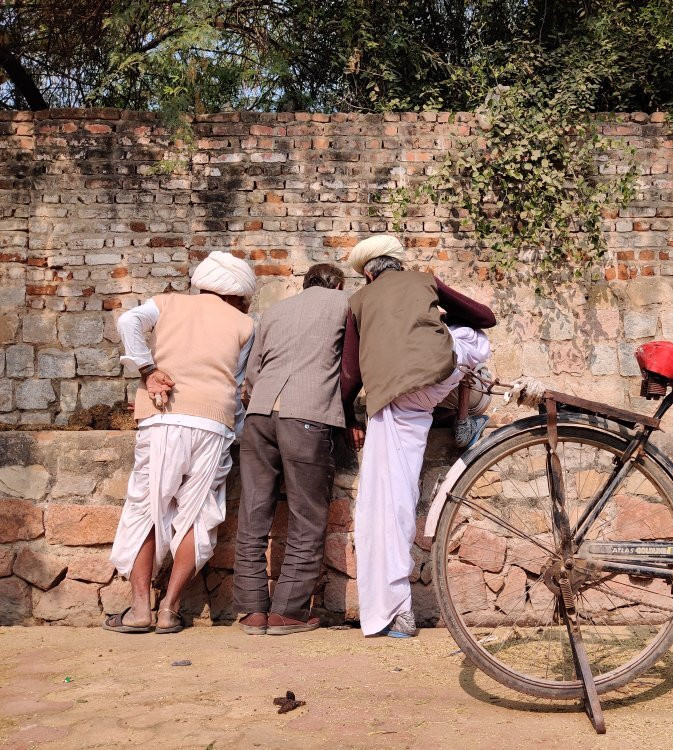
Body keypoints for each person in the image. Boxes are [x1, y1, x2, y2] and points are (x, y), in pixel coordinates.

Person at [343, 235, 496, 638]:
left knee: (390, 503)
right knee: (475, 340)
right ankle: (467, 414)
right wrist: (439, 315)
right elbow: (485, 318)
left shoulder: (359, 302)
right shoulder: (423, 280)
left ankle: (396, 613)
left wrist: (348, 416)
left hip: (397, 402)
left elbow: (350, 374)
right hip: (440, 378)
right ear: (396, 263)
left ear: (369, 273)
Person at [104, 251, 256, 634]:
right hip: (214, 424)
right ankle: (170, 609)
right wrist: (233, 433)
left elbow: (127, 321)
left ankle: (140, 610)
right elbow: (237, 385)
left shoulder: (168, 303)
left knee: (147, 507)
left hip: (164, 415)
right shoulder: (245, 324)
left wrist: (149, 370)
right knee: (198, 515)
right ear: (236, 294)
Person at [233, 263, 362, 635]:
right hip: (307, 414)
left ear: (304, 284)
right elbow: (350, 371)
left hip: (259, 415)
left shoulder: (274, 312)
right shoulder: (345, 304)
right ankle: (287, 612)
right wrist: (347, 413)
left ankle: (253, 611)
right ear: (338, 283)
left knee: (254, 512)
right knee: (307, 515)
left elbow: (252, 373)